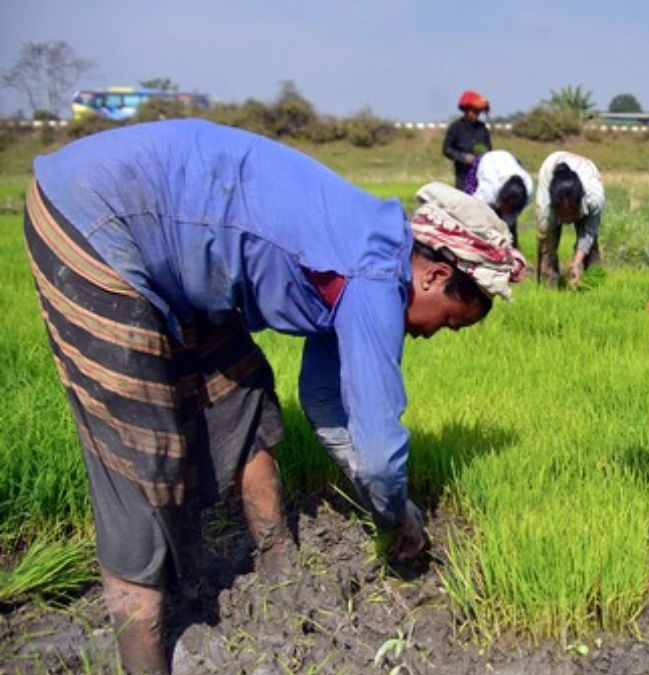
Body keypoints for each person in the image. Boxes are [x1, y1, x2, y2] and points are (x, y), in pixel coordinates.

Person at [24, 119, 526, 674]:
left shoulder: (367, 246)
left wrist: (375, 487)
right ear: (433, 277)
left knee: (240, 392)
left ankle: (279, 571)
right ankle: (142, 651)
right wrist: (397, 516)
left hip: (176, 243)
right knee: (141, 448)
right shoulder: (373, 279)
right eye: (450, 324)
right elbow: (381, 449)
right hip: (98, 215)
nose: (431, 335)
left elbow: (326, 402)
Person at [534, 151, 605, 288]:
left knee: (591, 245)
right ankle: (548, 286)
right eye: (562, 215)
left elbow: (588, 232)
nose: (567, 220)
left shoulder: (594, 200)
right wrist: (547, 258)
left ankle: (594, 282)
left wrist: (576, 263)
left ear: (579, 205)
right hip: (551, 166)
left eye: (570, 214)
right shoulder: (546, 207)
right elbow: (544, 237)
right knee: (547, 243)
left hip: (587, 171)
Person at [463, 149, 533, 247]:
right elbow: (473, 211)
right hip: (486, 161)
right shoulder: (488, 190)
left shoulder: (528, 190)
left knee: (508, 231)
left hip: (509, 160)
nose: (506, 211)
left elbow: (509, 222)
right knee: (469, 212)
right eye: (505, 208)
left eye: (509, 210)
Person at [442, 90, 492, 190]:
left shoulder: (482, 128)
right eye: (473, 111)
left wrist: (481, 156)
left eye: (478, 112)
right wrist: (463, 157)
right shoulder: (455, 127)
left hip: (480, 176)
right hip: (462, 175)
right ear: (465, 110)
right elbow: (446, 149)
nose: (476, 114)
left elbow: (489, 150)